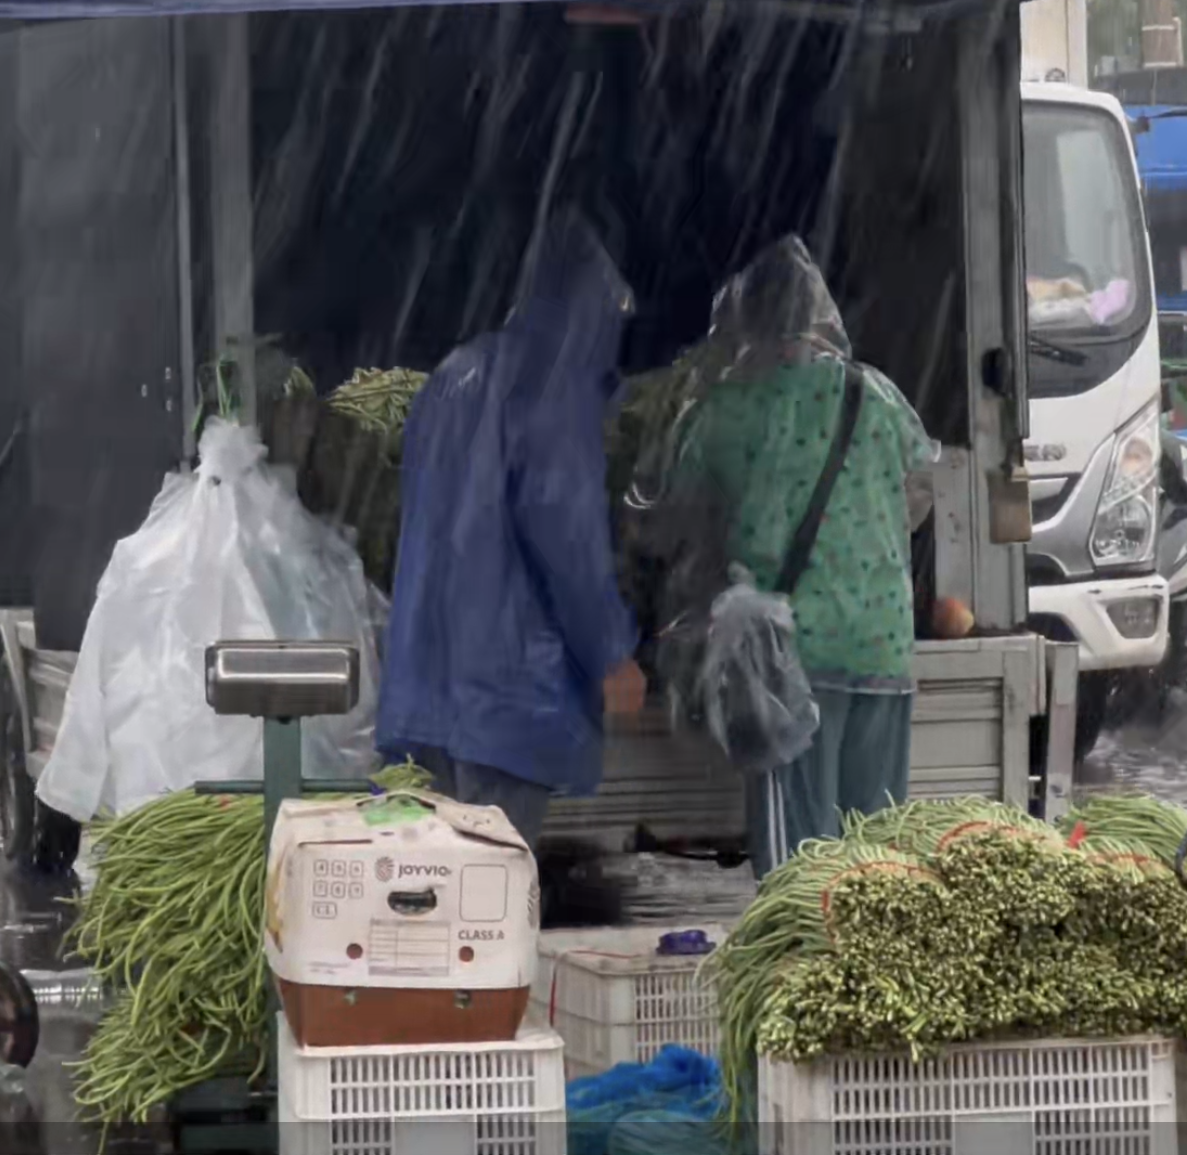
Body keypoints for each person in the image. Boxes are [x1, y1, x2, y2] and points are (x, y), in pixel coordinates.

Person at [653, 237, 940, 877]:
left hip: (795, 655)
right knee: (878, 847)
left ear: (747, 319)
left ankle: (802, 967)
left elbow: (677, 515)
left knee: (800, 859)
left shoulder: (728, 408)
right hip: (883, 645)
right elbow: (920, 489)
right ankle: (872, 963)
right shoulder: (876, 395)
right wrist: (866, 549)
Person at [375, 209, 648, 843]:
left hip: (428, 686)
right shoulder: (554, 391)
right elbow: (567, 536)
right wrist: (611, 654)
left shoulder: (451, 376)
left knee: (435, 890)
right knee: (488, 904)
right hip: (508, 693)